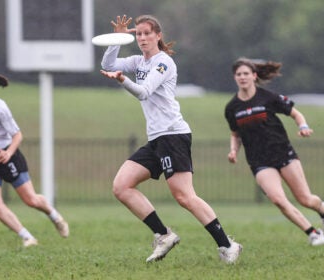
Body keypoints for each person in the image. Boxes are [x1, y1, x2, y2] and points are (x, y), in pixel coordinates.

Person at [100, 14, 242, 263]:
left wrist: (123, 80)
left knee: (185, 196)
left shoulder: (163, 62)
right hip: (156, 139)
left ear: (158, 36)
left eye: (147, 33)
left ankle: (227, 245)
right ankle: (164, 235)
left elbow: (143, 93)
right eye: (138, 34)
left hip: (173, 136)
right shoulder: (138, 61)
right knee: (121, 186)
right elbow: (109, 64)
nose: (142, 38)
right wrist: (117, 38)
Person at [0, 67, 69, 247]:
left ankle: (55, 216)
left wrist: (8, 152)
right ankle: (27, 237)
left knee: (30, 200)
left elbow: (17, 135)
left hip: (6, 155)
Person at [225, 57, 324, 246]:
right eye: (239, 74)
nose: (243, 77)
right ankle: (313, 233)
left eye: (246, 73)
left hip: (282, 153)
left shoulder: (268, 97)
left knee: (305, 199)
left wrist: (303, 126)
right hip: (259, 161)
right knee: (278, 200)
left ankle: (321, 210)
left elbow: (295, 113)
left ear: (254, 76)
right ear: (234, 78)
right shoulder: (232, 108)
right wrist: (233, 150)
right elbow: (235, 134)